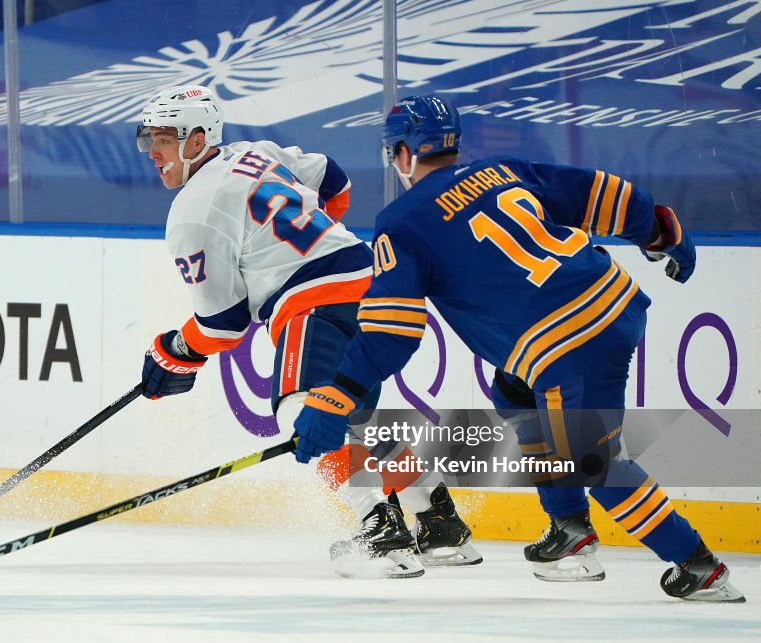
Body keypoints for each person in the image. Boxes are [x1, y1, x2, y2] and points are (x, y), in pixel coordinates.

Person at [293, 94, 745, 602]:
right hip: (610, 301)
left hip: (569, 345)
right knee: (514, 391)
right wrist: (657, 230)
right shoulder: (502, 170)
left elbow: (391, 330)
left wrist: (338, 392)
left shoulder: (401, 223)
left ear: (402, 154)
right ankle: (569, 528)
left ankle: (699, 566)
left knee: (590, 459)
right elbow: (597, 193)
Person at [136, 84, 482, 578]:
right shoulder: (257, 153)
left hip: (317, 302)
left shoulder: (192, 214)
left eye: (164, 139)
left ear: (196, 140)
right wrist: (318, 237)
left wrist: (172, 351)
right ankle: (440, 523)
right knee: (358, 415)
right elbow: (334, 180)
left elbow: (223, 326)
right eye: (148, 139)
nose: (153, 152)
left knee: (305, 409)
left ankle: (380, 531)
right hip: (372, 282)